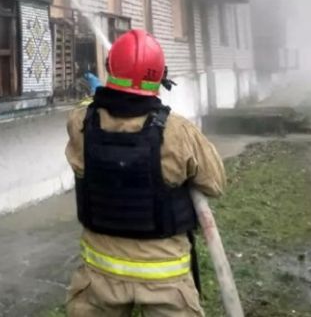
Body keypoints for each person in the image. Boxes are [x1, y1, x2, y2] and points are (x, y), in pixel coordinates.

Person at [65, 29, 226, 317]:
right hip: (165, 280)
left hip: (99, 275)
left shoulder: (81, 121)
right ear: (159, 76)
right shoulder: (178, 131)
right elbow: (215, 183)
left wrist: (97, 97)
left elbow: (88, 119)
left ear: (110, 68)